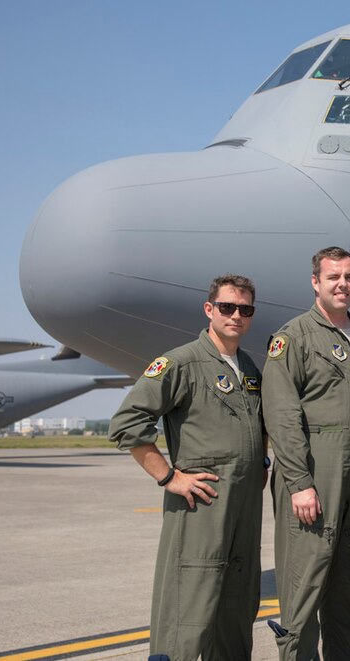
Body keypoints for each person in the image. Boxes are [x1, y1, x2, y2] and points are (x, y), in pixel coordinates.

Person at [109, 275, 265, 661]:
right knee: (190, 602)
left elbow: (260, 426)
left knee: (237, 601)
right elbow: (127, 423)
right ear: (209, 310)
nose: (236, 315)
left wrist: (261, 461)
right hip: (202, 504)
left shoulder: (248, 368)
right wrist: (168, 477)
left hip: (245, 505)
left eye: (245, 309)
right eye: (227, 307)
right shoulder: (181, 362)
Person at [262, 247, 350, 660]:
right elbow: (281, 415)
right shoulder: (293, 337)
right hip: (314, 471)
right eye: (333, 277)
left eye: (349, 277)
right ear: (316, 282)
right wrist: (299, 483)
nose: (342, 285)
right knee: (305, 579)